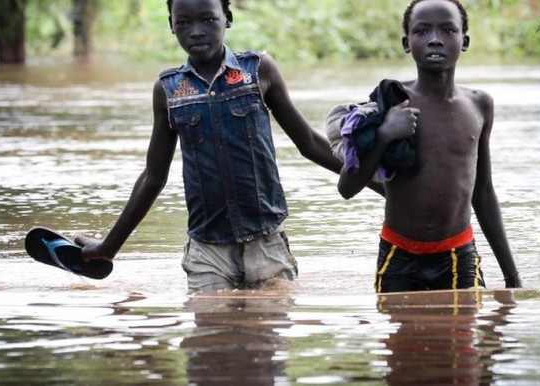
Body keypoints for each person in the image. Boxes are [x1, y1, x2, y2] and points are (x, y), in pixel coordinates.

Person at [75, 0, 361, 293]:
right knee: (211, 333)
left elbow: (309, 143)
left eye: (208, 20)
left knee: (267, 331)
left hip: (267, 243)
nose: (196, 31)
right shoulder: (168, 90)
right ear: (171, 26)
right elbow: (153, 177)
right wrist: (109, 246)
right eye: (184, 23)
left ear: (228, 18)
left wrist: (380, 184)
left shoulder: (258, 71)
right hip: (207, 251)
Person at [336, 0, 522, 292]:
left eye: (448, 30)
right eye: (422, 31)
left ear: (464, 41)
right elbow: (347, 188)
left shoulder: (479, 105)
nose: (435, 39)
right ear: (406, 42)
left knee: (464, 335)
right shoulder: (389, 102)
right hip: (398, 256)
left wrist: (512, 276)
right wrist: (385, 134)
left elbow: (483, 192)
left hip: (458, 255)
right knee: (402, 336)